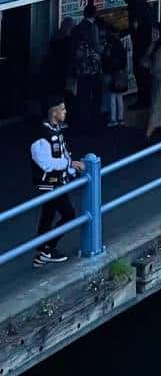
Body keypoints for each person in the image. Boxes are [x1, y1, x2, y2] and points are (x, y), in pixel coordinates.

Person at [30, 100, 84, 268]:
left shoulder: (56, 131)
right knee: (69, 214)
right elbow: (46, 163)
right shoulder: (42, 136)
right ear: (54, 112)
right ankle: (47, 249)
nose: (65, 111)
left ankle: (43, 251)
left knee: (48, 216)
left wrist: (72, 168)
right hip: (49, 184)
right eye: (62, 109)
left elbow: (63, 154)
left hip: (57, 182)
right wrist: (69, 165)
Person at [71, 3, 104, 132]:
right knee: (96, 96)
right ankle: (94, 123)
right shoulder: (93, 28)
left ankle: (81, 122)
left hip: (81, 68)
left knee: (82, 96)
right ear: (94, 14)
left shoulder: (76, 28)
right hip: (93, 68)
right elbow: (96, 47)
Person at [102, 24, 128, 127]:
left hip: (112, 73)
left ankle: (113, 119)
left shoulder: (109, 45)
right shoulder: (120, 45)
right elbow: (124, 60)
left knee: (112, 97)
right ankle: (120, 118)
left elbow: (106, 59)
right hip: (120, 73)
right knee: (119, 97)